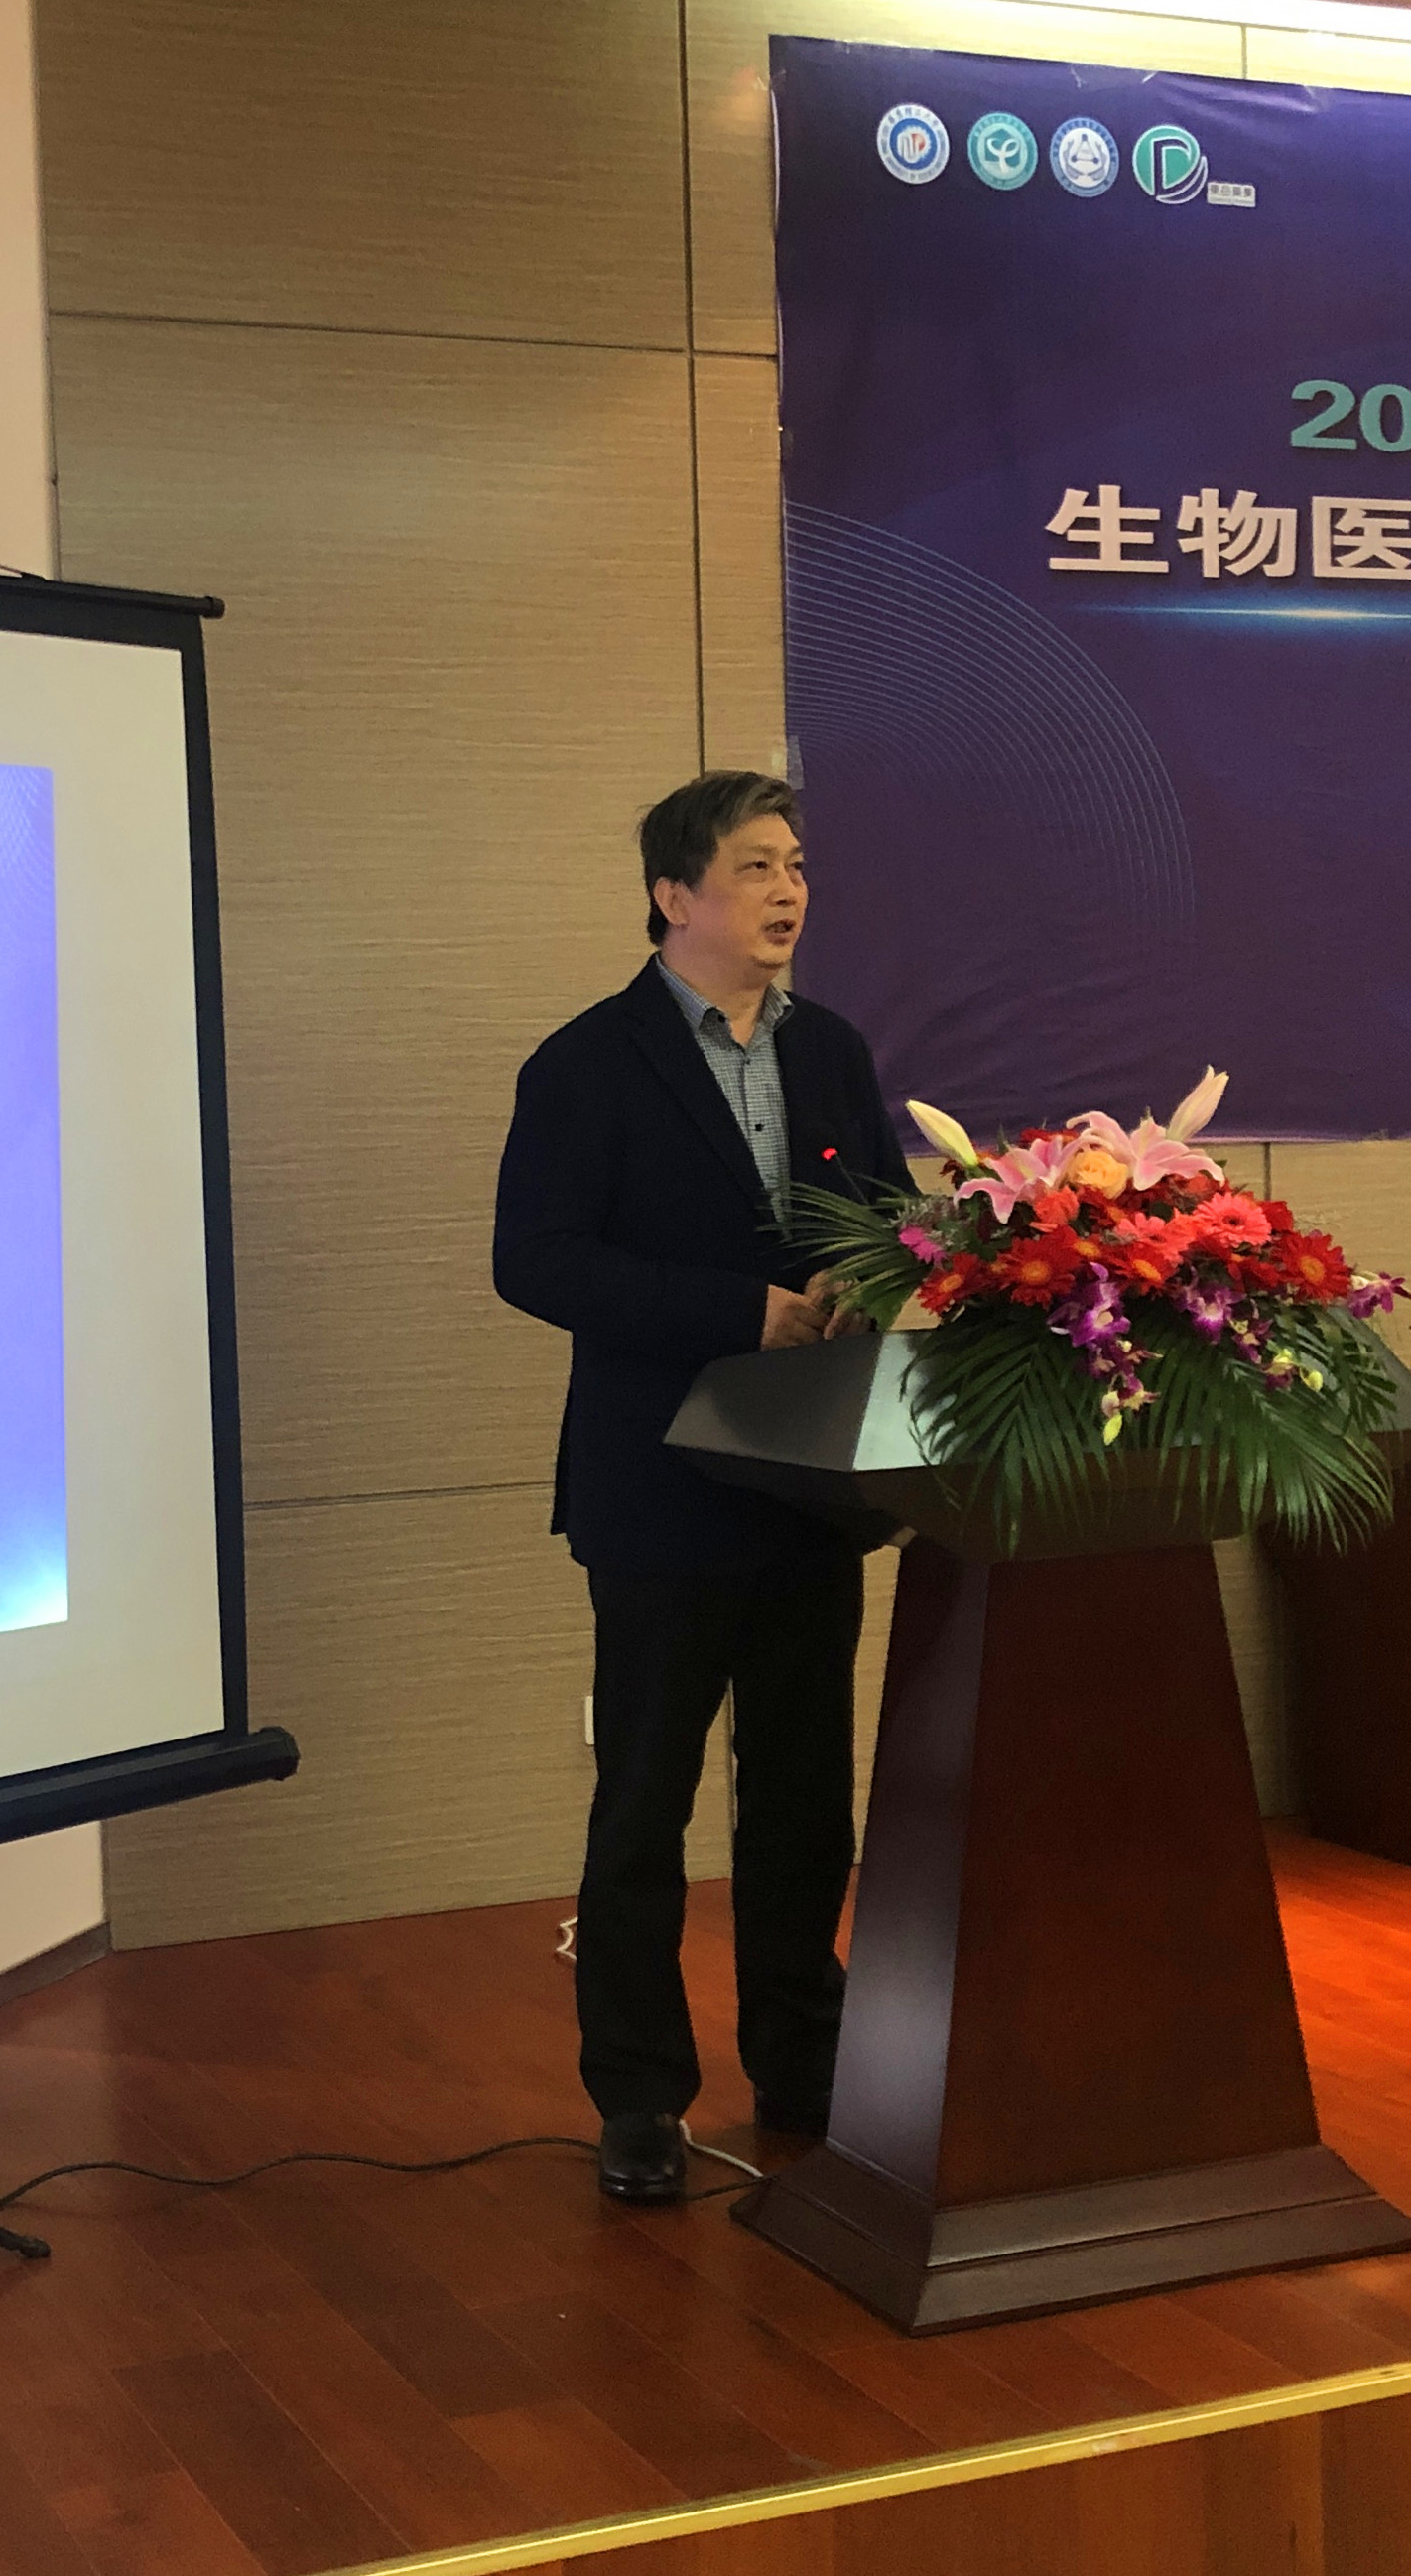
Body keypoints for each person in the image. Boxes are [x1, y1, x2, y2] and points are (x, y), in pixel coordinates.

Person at [491, 771, 912, 2204]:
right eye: (755, 868)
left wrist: (865, 1283)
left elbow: (888, 1221)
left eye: (796, 865)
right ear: (675, 895)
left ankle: (803, 2061)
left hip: (808, 1480)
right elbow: (537, 1261)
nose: (788, 891)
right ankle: (638, 2096)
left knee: (803, 1799)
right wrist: (741, 1311)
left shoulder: (833, 1049)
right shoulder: (586, 1063)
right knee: (645, 1806)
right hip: (661, 1483)